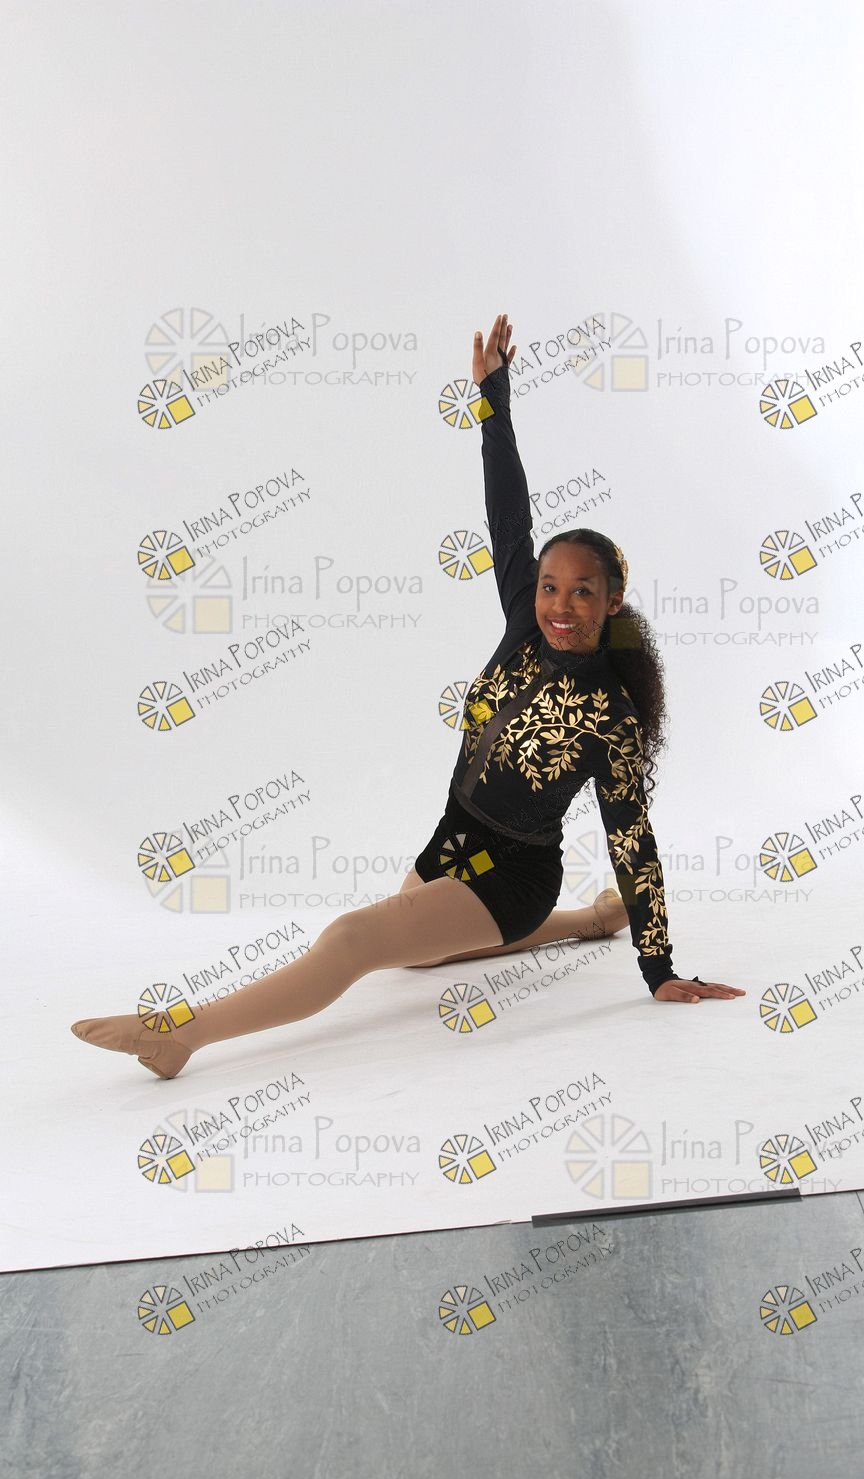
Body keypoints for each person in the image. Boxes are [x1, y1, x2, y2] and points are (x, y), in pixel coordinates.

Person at [71, 312, 744, 1080]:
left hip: (514, 874)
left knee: (353, 940)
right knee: (418, 957)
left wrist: (659, 969)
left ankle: (180, 1035)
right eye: (551, 586)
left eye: (582, 592)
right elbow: (509, 515)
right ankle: (588, 922)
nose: (560, 604)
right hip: (453, 840)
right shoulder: (524, 620)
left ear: (612, 600)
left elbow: (633, 841)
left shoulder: (609, 716)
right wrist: (494, 401)